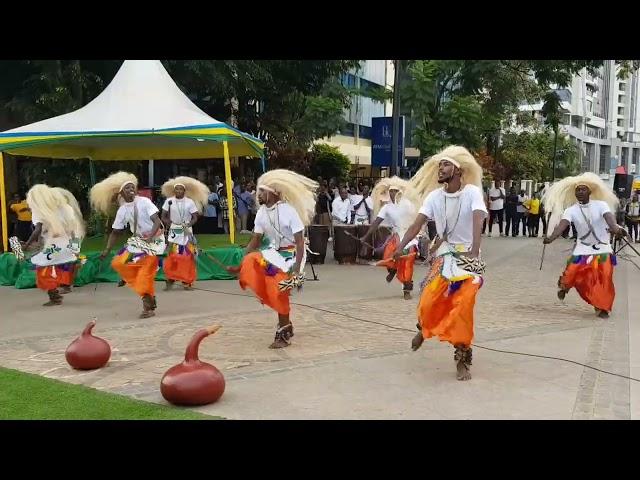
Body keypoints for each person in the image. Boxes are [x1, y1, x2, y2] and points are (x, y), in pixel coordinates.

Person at [403, 145, 487, 381]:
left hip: (468, 259)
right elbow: (416, 225)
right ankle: (424, 327)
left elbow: (478, 217)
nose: (441, 168)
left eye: (446, 164)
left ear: (458, 170)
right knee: (429, 300)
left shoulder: (471, 192)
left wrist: (474, 249)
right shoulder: (434, 197)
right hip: (444, 256)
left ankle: (462, 357)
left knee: (463, 304)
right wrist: (400, 248)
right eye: (440, 164)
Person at [232, 169, 317, 349]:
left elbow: (300, 243)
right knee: (252, 260)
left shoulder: (289, 211)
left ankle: (284, 331)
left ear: (273, 192)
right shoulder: (261, 213)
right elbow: (255, 240)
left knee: (280, 289)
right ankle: (286, 325)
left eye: (262, 191)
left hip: (293, 255)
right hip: (273, 254)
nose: (258, 194)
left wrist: (295, 269)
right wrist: (240, 265)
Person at [543, 172, 625, 319]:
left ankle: (602, 307)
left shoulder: (601, 205)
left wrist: (617, 230)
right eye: (577, 190)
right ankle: (565, 285)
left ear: (590, 191)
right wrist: (551, 238)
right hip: (583, 248)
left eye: (583, 189)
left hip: (603, 247)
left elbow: (610, 220)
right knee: (573, 273)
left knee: (605, 276)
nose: (580, 192)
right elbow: (561, 226)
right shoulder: (571, 210)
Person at [92, 171, 166, 318]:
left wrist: (150, 237)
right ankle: (134, 282)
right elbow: (115, 232)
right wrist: (107, 250)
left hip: (154, 240)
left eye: (132, 187)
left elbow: (157, 221)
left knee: (145, 274)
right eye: (127, 188)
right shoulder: (123, 210)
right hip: (138, 242)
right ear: (121, 193)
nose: (131, 189)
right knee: (118, 263)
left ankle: (148, 305)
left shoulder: (145, 202)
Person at [22, 185, 85, 306]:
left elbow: (37, 230)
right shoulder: (66, 208)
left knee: (43, 270)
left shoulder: (39, 211)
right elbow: (73, 230)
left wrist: (27, 244)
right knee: (61, 267)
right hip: (65, 246)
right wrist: (75, 248)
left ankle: (55, 297)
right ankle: (62, 288)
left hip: (52, 247)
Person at [359, 177, 420, 300]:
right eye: (391, 191)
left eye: (395, 191)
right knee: (387, 256)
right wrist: (365, 237)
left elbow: (418, 218)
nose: (393, 194)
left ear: (400, 192)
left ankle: (407, 289)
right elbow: (376, 223)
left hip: (409, 237)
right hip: (396, 235)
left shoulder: (407, 204)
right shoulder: (386, 207)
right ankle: (392, 269)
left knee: (407, 264)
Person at [161, 177, 208, 291]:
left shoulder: (189, 202)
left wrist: (189, 224)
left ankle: (186, 281)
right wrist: (169, 222)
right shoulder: (169, 201)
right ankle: (170, 279)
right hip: (174, 230)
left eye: (180, 189)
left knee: (187, 255)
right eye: (176, 189)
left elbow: (195, 216)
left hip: (187, 230)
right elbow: (163, 216)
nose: (178, 191)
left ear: (184, 191)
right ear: (174, 190)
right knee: (173, 256)